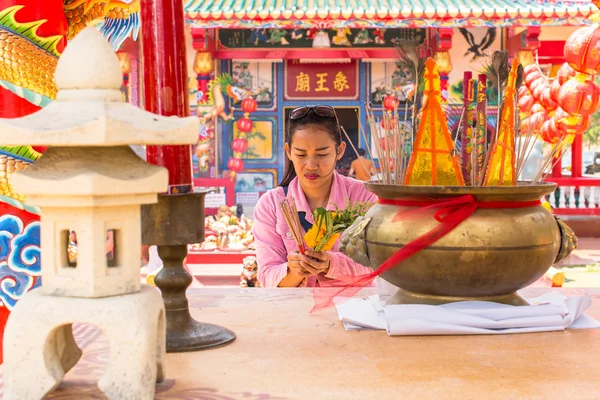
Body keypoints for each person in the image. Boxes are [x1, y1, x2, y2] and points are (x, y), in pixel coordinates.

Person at [252, 105, 377, 287]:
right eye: (301, 154)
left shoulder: (364, 196)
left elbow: (375, 265)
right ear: (288, 152)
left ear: (339, 151)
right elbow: (266, 275)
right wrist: (293, 270)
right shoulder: (271, 204)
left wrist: (330, 264)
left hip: (353, 309)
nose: (311, 165)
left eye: (322, 154)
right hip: (294, 311)